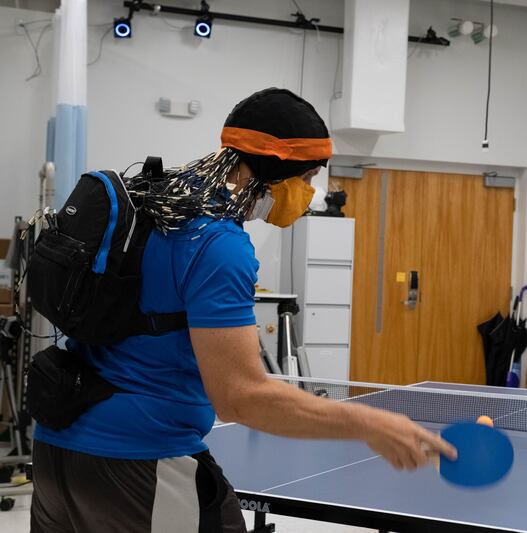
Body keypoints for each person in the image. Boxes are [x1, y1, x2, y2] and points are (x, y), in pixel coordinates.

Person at [30, 88, 456, 533]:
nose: (310, 193)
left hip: (57, 452)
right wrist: (369, 423)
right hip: (139, 461)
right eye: (308, 177)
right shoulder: (218, 244)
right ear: (276, 170)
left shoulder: (152, 202)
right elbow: (240, 397)